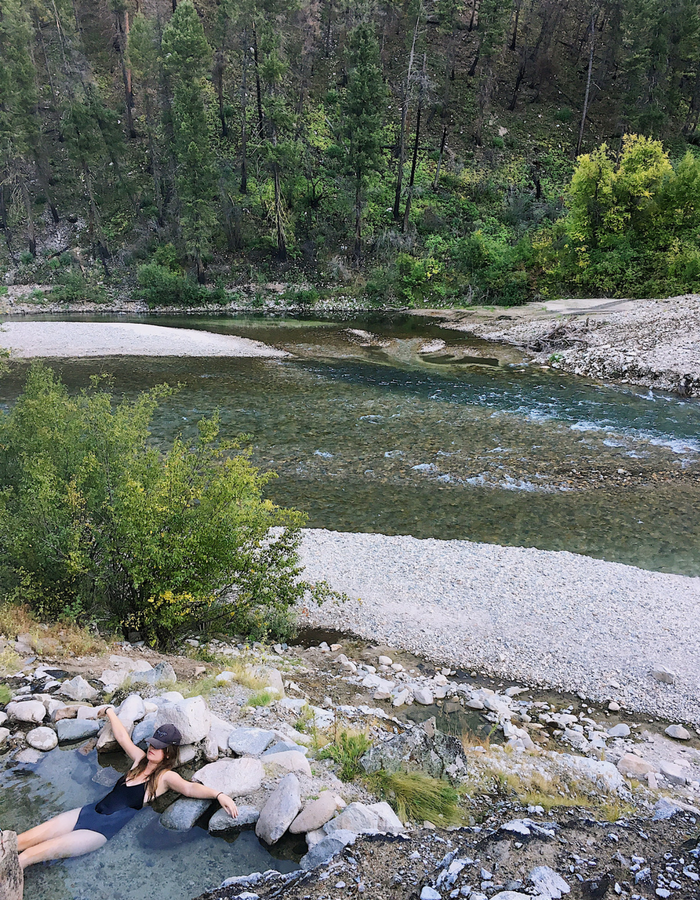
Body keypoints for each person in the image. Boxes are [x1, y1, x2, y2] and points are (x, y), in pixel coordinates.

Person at [15, 707, 238, 870]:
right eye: (152, 744)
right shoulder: (139, 759)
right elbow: (123, 738)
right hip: (87, 811)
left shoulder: (165, 778)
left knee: (27, 857)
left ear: (168, 753)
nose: (151, 748)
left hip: (98, 832)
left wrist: (219, 795)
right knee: (17, 841)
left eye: (158, 747)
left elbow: (190, 789)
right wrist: (111, 712)